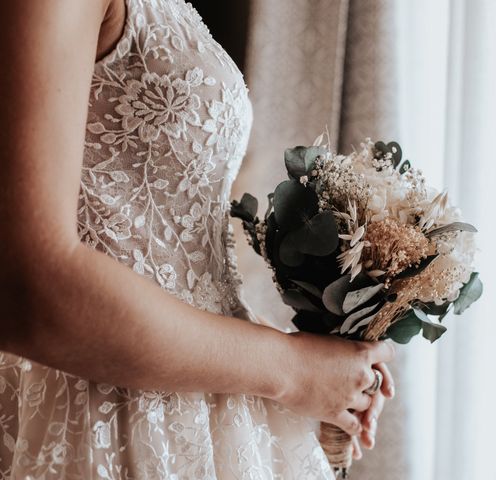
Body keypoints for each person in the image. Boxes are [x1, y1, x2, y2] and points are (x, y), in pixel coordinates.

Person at [0, 0, 396, 478]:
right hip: (104, 417)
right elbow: (29, 288)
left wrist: (321, 366)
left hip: (196, 411)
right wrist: (291, 370)